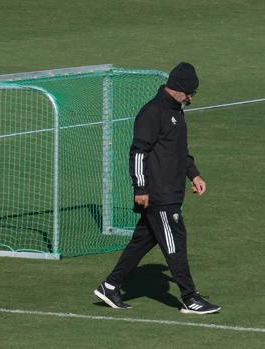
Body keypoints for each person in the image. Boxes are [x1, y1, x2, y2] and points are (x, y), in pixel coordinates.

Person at [94, 62, 220, 314]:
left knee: (142, 242)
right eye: (190, 93)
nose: (191, 98)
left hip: (171, 191)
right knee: (175, 244)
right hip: (159, 195)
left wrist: (193, 174)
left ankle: (110, 286)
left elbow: (179, 152)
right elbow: (138, 152)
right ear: (178, 89)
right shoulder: (152, 112)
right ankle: (189, 297)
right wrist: (140, 188)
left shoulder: (176, 111)